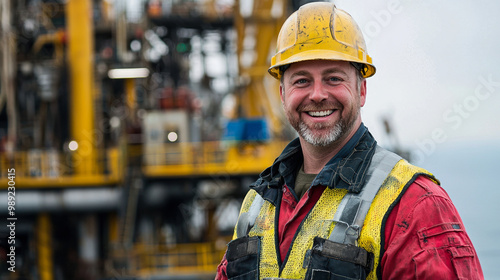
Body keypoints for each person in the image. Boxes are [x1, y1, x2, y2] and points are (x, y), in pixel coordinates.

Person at [216, 2, 484, 279]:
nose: (317, 94)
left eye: (333, 78)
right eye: (302, 81)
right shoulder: (256, 203)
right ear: (283, 95)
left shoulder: (416, 204)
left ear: (362, 90)